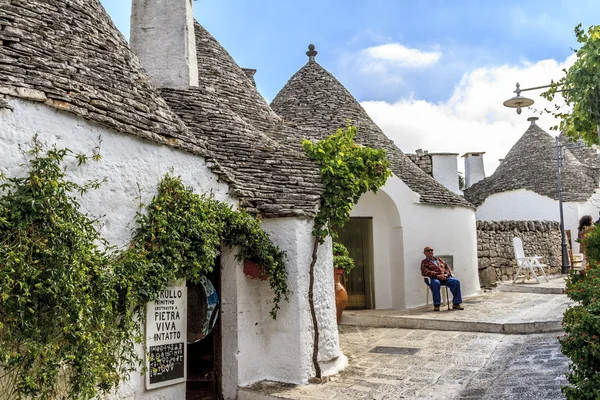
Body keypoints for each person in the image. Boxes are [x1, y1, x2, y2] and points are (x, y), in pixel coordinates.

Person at [421, 246, 463, 311]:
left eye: (431, 250)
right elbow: (425, 272)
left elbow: (447, 268)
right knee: (435, 283)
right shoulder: (424, 262)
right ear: (424, 253)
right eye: (428, 251)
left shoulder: (439, 260)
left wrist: (446, 274)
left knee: (456, 282)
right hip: (434, 278)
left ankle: (456, 303)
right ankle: (437, 305)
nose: (430, 252)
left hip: (445, 277)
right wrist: (437, 275)